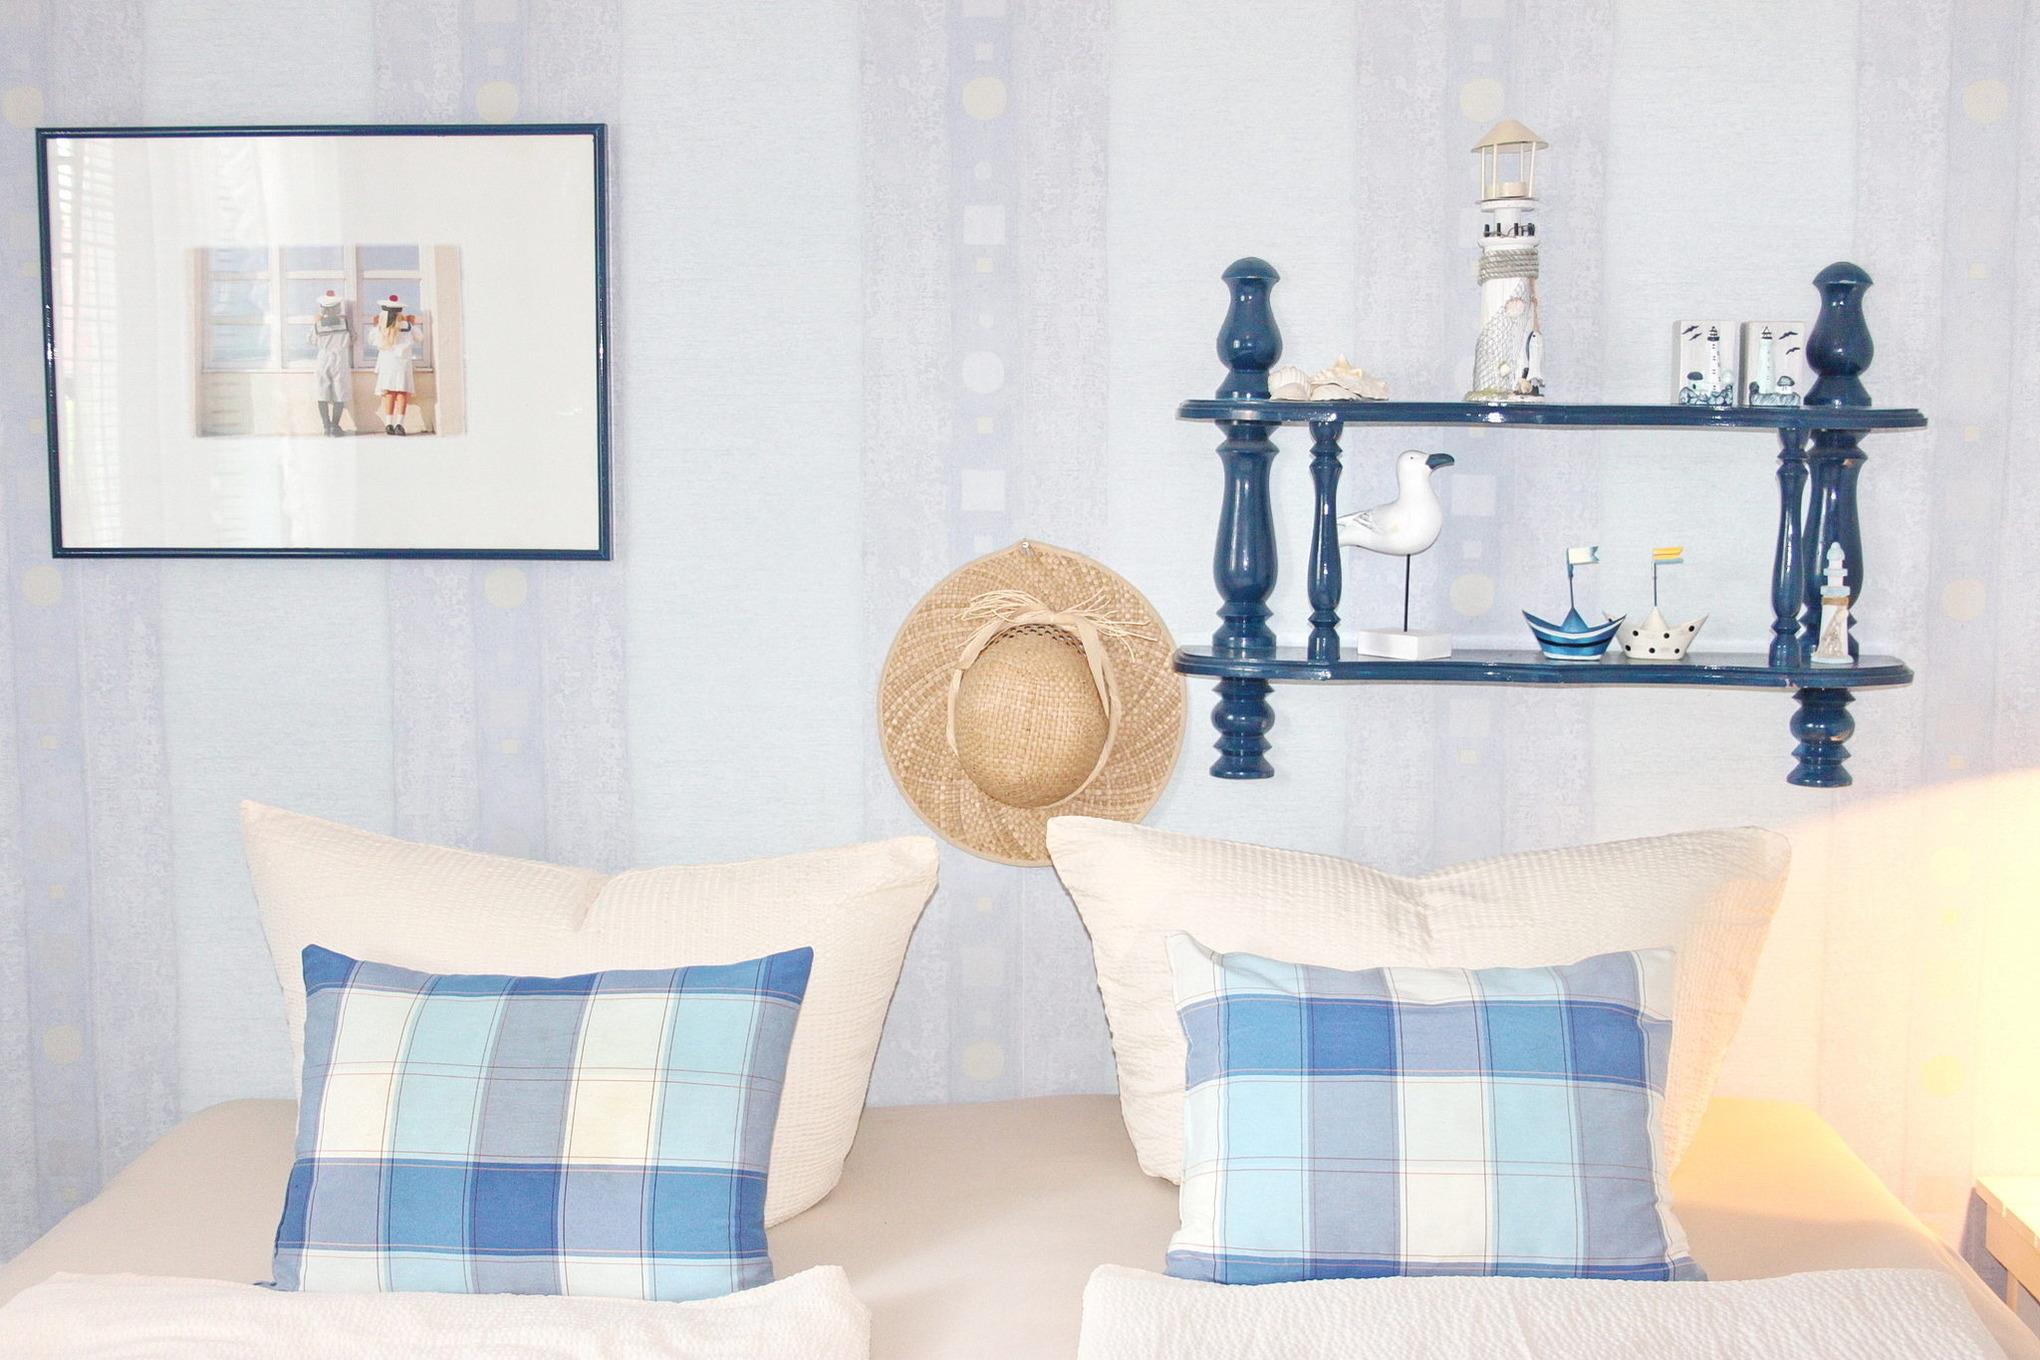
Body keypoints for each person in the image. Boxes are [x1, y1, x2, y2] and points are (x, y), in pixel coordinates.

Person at [369, 295, 422, 435]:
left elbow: (371, 340)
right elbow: (420, 338)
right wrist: (412, 323)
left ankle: (388, 424)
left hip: (387, 364)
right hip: (403, 364)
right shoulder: (408, 326)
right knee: (402, 393)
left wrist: (375, 325)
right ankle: (399, 424)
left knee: (389, 393)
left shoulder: (381, 328)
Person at [310, 290, 350, 436]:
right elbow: (353, 338)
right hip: (340, 358)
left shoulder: (318, 324)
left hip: (323, 358)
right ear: (338, 307)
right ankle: (335, 426)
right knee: (340, 392)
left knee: (322, 392)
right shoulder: (345, 323)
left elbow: (311, 341)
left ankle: (326, 427)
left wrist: (316, 322)